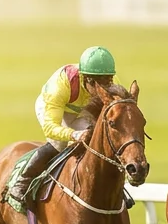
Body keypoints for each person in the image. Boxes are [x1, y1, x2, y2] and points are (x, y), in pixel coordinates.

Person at [9, 46, 119, 204]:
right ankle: (22, 181)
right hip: (55, 108)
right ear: (85, 78)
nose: (102, 90)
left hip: (83, 111)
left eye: (107, 82)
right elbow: (50, 127)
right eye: (97, 83)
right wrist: (74, 134)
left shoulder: (112, 85)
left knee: (99, 142)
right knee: (58, 144)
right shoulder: (61, 85)